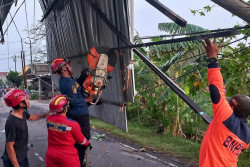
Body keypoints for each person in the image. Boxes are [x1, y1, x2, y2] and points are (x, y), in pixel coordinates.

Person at [199, 38, 250, 167]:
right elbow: (241, 147)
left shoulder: (225, 116)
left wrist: (213, 59)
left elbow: (216, 90)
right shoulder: (247, 137)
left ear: (232, 107)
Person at [51, 58, 93, 167]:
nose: (70, 67)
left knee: (80, 139)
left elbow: (76, 86)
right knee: (82, 138)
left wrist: (83, 75)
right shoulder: (65, 82)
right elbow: (69, 99)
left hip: (80, 112)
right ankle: (78, 163)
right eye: (68, 65)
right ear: (64, 68)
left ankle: (79, 161)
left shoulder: (69, 80)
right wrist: (86, 100)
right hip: (78, 114)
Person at [1, 89, 49, 167]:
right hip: (15, 160)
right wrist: (16, 165)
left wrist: (44, 115)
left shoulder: (22, 112)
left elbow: (31, 117)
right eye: (27, 99)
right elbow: (9, 147)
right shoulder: (13, 122)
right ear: (21, 104)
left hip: (22, 156)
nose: (28, 100)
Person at [46, 94, 92, 167]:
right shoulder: (72, 124)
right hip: (67, 156)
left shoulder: (49, 119)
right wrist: (87, 144)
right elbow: (81, 140)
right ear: (65, 108)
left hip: (51, 154)